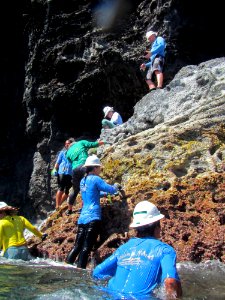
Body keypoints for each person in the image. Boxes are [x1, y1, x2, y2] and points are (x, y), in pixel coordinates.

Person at [93, 200, 182, 299]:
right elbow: (170, 282)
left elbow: (97, 272)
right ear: (157, 225)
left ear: (136, 228)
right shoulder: (165, 250)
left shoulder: (123, 249)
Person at [65, 155, 119, 269]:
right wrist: (116, 187)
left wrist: (105, 194)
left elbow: (93, 193)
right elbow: (110, 188)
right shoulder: (95, 179)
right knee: (86, 247)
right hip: (93, 217)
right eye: (99, 167)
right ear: (94, 168)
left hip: (82, 218)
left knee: (77, 246)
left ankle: (66, 265)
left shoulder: (82, 181)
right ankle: (80, 270)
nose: (100, 170)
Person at [65, 139, 104, 216]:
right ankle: (86, 206)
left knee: (75, 190)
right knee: (89, 185)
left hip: (75, 170)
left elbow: (70, 162)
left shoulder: (68, 152)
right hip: (84, 165)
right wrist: (100, 143)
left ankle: (69, 210)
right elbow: (92, 144)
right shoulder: (81, 142)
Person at [51, 138, 74, 210]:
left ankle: (60, 204)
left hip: (70, 173)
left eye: (68, 143)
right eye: (65, 143)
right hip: (62, 172)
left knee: (67, 190)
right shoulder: (62, 153)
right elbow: (57, 162)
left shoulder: (74, 153)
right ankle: (57, 206)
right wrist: (55, 169)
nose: (66, 145)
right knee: (61, 188)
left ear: (72, 144)